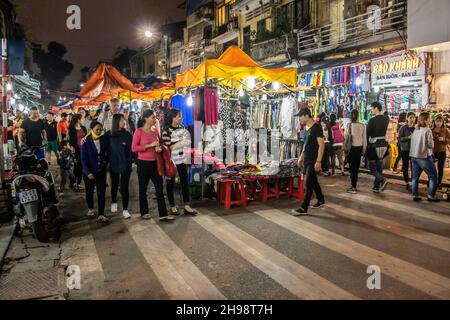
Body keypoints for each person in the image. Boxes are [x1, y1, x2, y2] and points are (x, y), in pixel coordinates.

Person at [132, 109, 175, 222]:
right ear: (146, 118)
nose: (155, 119)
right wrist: (149, 145)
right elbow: (134, 148)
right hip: (143, 164)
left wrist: (159, 148)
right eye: (152, 117)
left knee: (159, 189)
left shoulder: (155, 130)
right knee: (143, 189)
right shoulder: (139, 131)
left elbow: (160, 143)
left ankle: (163, 214)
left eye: (155, 117)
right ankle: (144, 212)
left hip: (155, 163)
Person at [162, 109, 197, 217]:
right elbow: (168, 148)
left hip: (182, 159)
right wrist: (180, 141)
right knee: (170, 183)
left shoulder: (182, 128)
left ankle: (187, 206)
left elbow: (185, 143)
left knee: (184, 182)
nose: (181, 118)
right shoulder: (166, 131)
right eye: (179, 116)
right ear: (173, 117)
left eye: (181, 116)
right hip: (171, 161)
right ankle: (172, 206)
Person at [292, 108, 326, 215]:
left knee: (308, 183)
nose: (299, 119)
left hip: (314, 160)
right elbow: (305, 144)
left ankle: (304, 208)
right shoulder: (306, 128)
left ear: (306, 116)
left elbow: (321, 145)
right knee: (313, 181)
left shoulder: (317, 127)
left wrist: (319, 161)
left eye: (300, 117)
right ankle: (321, 200)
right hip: (306, 159)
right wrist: (301, 156)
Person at [81, 121, 110, 222]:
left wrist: (105, 164)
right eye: (97, 129)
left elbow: (107, 153)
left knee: (101, 193)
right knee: (89, 192)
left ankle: (101, 214)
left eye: (100, 130)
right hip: (89, 172)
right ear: (91, 130)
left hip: (101, 171)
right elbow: (83, 159)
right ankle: (91, 208)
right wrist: (88, 172)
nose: (99, 131)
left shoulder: (103, 140)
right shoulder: (85, 142)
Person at [107, 114, 132, 219]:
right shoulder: (108, 135)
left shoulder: (128, 135)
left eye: (124, 120)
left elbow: (132, 150)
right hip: (113, 164)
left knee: (125, 187)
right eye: (122, 120)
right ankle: (113, 201)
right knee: (114, 185)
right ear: (116, 121)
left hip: (126, 164)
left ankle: (125, 209)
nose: (124, 122)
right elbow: (105, 150)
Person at [410, 112, 439, 202]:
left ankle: (415, 195)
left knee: (415, 177)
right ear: (425, 120)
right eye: (430, 119)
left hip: (414, 155)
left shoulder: (416, 128)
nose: (431, 120)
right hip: (423, 156)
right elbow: (430, 145)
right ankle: (431, 195)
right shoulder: (427, 130)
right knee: (433, 176)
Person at [366, 102, 389, 193]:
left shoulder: (372, 120)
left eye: (372, 108)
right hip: (383, 144)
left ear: (376, 108)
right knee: (379, 166)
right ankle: (376, 186)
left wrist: (367, 145)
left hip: (374, 144)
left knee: (371, 166)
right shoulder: (386, 119)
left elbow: (368, 133)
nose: (371, 110)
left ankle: (382, 179)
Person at [344, 109, 367, 194]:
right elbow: (364, 139)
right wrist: (364, 150)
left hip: (351, 149)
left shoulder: (348, 125)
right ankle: (354, 186)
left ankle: (353, 187)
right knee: (356, 169)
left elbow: (346, 137)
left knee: (352, 168)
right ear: (358, 116)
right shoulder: (363, 126)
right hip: (359, 148)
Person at [397, 112, 416, 190]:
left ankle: (413, 182)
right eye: (410, 117)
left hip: (414, 150)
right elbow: (399, 139)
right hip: (405, 150)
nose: (412, 119)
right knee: (405, 167)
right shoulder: (403, 128)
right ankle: (407, 182)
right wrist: (408, 137)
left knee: (413, 167)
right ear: (407, 118)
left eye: (413, 117)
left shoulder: (416, 128)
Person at [69, 114, 87, 191]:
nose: (82, 119)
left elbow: (86, 137)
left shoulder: (83, 128)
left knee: (81, 166)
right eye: (81, 118)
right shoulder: (72, 129)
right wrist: (72, 149)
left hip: (84, 149)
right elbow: (71, 141)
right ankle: (74, 182)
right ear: (78, 120)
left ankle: (76, 183)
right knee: (78, 166)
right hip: (76, 150)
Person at [432, 115, 450, 188]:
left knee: (440, 168)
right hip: (433, 152)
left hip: (442, 152)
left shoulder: (446, 130)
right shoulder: (431, 130)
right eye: (437, 121)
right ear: (434, 122)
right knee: (431, 168)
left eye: (440, 121)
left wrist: (444, 140)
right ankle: (431, 181)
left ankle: (439, 183)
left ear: (442, 122)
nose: (438, 123)